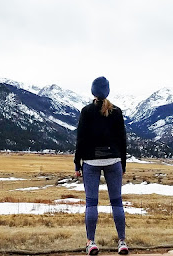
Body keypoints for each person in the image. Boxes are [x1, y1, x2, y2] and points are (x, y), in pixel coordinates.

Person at [74, 76, 128, 255]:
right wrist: (123, 164)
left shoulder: (86, 111)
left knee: (91, 203)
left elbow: (80, 140)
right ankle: (122, 242)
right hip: (114, 161)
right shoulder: (117, 112)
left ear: (93, 92)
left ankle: (91, 243)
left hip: (90, 161)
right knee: (117, 202)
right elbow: (122, 140)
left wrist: (77, 164)